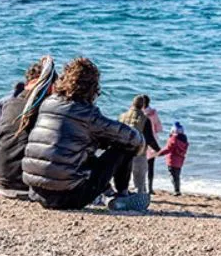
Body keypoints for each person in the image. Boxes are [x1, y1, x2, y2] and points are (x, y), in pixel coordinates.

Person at [22, 57, 146, 211]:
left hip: (36, 192)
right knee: (123, 147)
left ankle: (108, 192)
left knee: (75, 150)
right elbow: (133, 139)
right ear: (93, 87)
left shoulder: (47, 104)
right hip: (68, 197)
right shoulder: (87, 114)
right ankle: (122, 196)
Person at [0, 57, 57, 198]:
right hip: (30, 186)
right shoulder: (49, 108)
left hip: (3, 181)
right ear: (51, 86)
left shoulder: (5, 103)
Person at [119, 95, 162, 196]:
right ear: (143, 105)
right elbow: (149, 138)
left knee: (123, 177)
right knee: (139, 178)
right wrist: (158, 149)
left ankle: (123, 195)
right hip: (139, 152)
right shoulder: (145, 119)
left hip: (123, 152)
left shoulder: (122, 116)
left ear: (132, 104)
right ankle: (139, 197)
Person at [157, 122, 189, 196]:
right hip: (180, 161)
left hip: (172, 160)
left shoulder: (173, 139)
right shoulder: (184, 140)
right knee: (177, 175)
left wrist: (159, 153)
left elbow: (168, 149)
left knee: (172, 175)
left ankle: (176, 191)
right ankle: (177, 189)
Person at [142, 95, 163, 195]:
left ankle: (142, 187)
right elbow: (158, 127)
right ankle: (150, 188)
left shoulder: (137, 113)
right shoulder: (153, 113)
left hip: (140, 140)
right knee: (151, 166)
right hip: (151, 140)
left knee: (139, 165)